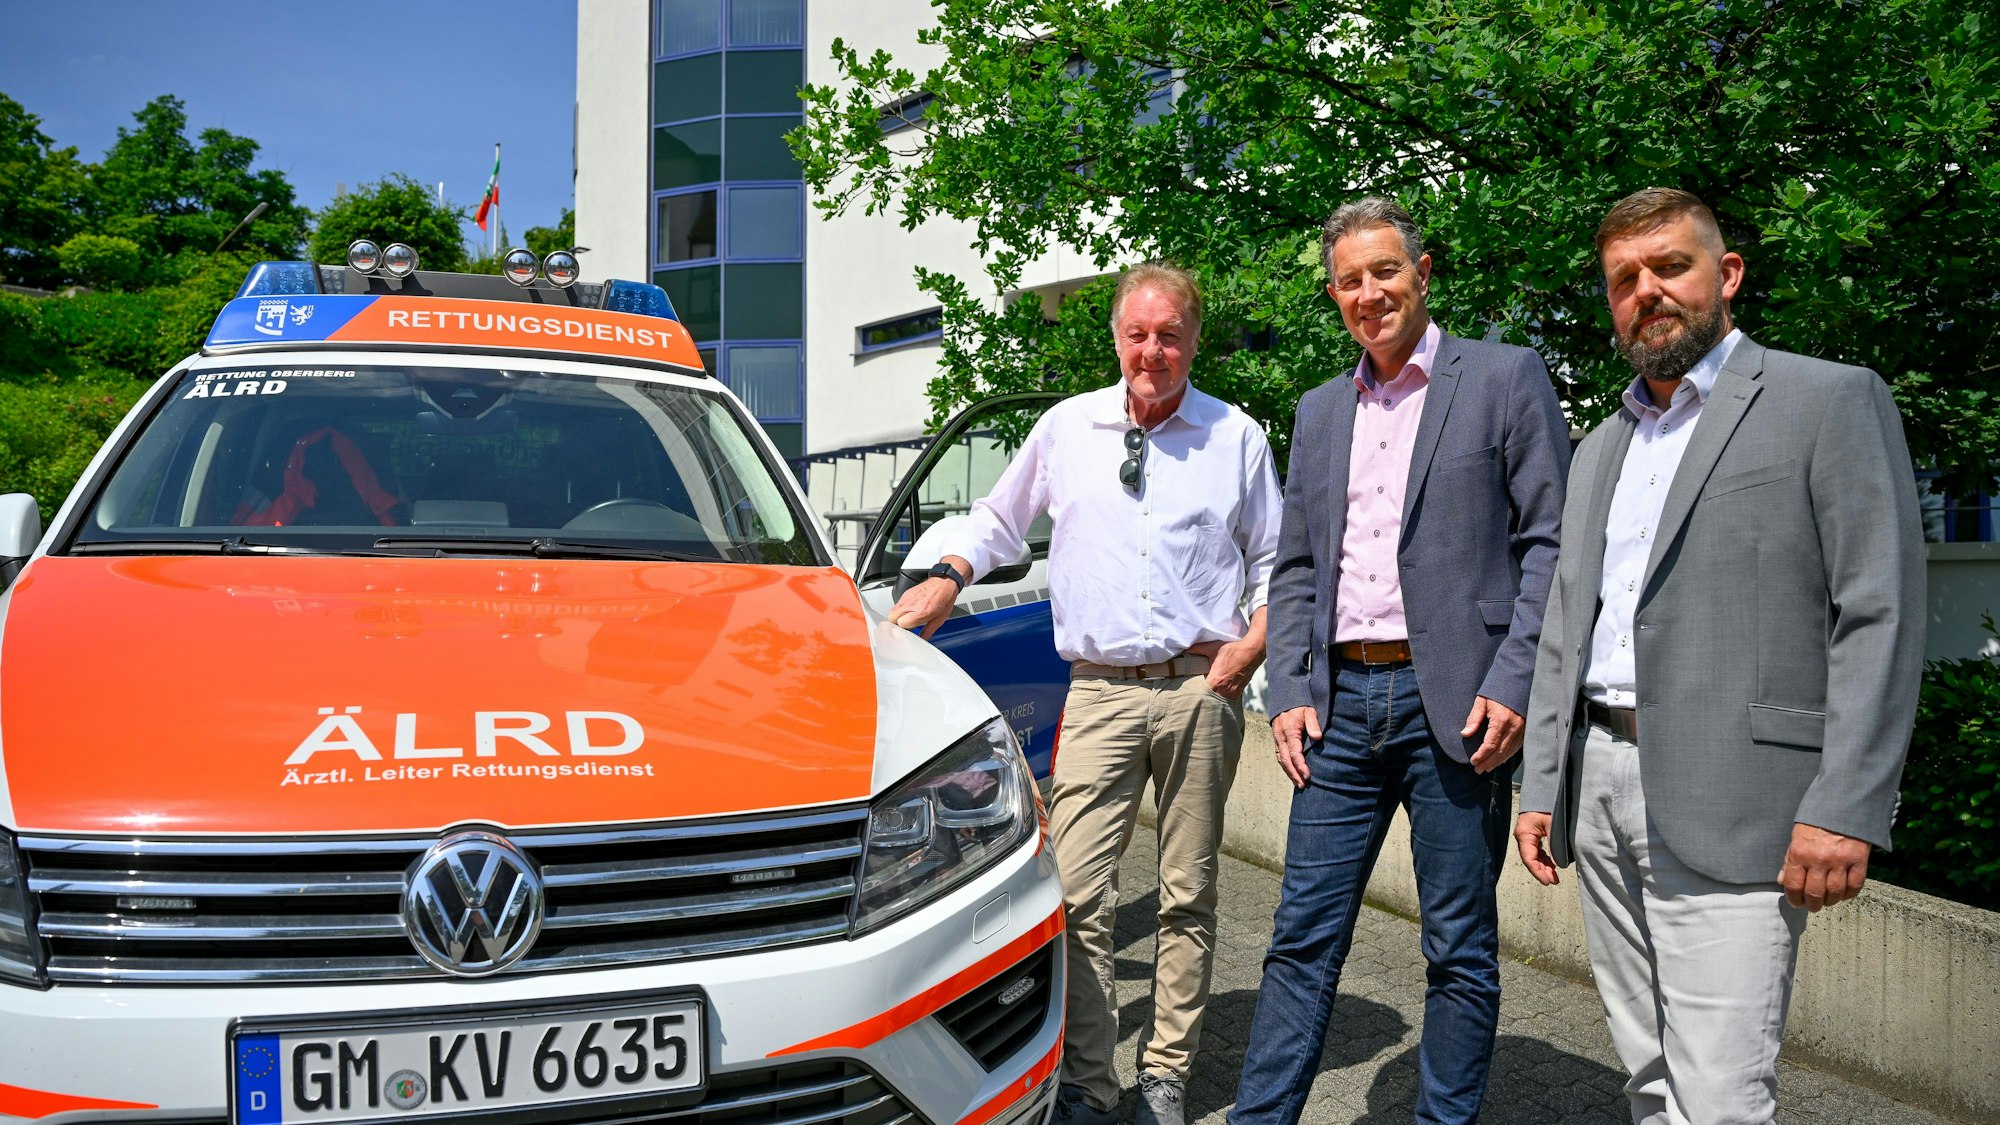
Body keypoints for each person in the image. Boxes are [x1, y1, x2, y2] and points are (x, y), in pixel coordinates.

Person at [1514, 187, 1924, 1124]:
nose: (1647, 290)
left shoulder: (1829, 400)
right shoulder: (1600, 447)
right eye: (1625, 278)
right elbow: (1567, 626)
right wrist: (1543, 785)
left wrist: (1847, 803)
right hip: (1602, 788)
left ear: (1726, 274)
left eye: (1670, 266)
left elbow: (1879, 613)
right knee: (1649, 1077)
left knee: (1723, 1092)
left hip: (1742, 797)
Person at [888, 262, 1282, 1125]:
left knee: (1188, 891)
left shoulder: (1235, 437)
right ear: (1115, 336)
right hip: (1099, 691)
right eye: (1138, 333)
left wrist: (1251, 647)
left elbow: (1273, 562)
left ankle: (1168, 1074)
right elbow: (998, 519)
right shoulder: (1068, 428)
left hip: (1197, 689)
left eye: (1169, 334)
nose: (1153, 351)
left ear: (1194, 340)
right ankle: (1091, 1081)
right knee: (1075, 895)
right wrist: (950, 576)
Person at [1229, 197, 1571, 1125]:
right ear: (1334, 295)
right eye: (1348, 280)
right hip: (1338, 709)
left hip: (1454, 704)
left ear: (1424, 273)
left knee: (1458, 947)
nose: (1368, 293)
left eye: (1385, 271)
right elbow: (1297, 563)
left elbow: (1551, 545)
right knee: (1300, 939)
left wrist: (1514, 681)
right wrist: (1292, 685)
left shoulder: (1504, 377)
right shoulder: (1318, 409)